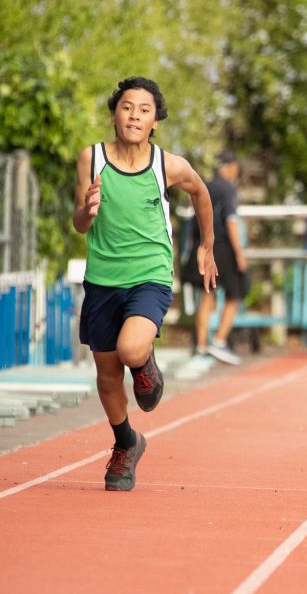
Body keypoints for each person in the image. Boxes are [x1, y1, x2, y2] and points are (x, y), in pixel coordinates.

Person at [73, 76, 217, 491]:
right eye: (127, 107)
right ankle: (126, 444)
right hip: (102, 278)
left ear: (155, 121)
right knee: (106, 376)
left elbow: (201, 193)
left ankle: (146, 364)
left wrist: (207, 245)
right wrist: (87, 210)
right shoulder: (92, 158)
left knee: (130, 348)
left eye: (144, 110)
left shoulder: (166, 164)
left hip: (151, 274)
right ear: (114, 113)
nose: (134, 115)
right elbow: (80, 222)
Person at [183, 150, 248, 366]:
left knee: (206, 296)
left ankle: (201, 346)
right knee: (236, 292)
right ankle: (219, 340)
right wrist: (239, 252)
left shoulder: (205, 186)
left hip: (202, 246)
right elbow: (231, 220)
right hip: (222, 247)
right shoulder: (227, 188)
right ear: (231, 167)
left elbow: (194, 223)